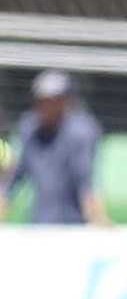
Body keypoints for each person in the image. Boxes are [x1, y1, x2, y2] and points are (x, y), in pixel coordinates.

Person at [0, 70, 109, 226]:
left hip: (74, 227)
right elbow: (13, 181)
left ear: (66, 101)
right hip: (38, 225)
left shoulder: (81, 132)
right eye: (42, 100)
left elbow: (86, 183)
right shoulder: (29, 129)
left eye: (53, 100)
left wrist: (98, 219)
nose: (47, 106)